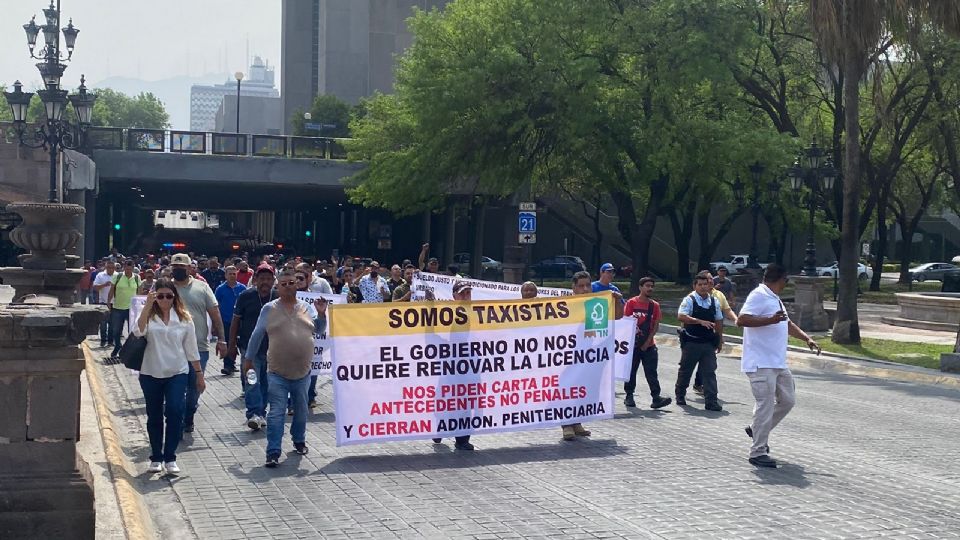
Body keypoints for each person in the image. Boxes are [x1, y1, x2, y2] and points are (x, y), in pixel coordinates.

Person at [737, 264, 820, 468]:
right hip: (760, 363)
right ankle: (757, 452)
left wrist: (806, 338)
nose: (786, 284)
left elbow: (787, 323)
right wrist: (769, 319)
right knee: (765, 406)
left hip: (777, 362)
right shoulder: (758, 295)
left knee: (788, 400)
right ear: (780, 279)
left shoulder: (774, 297)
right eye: (786, 281)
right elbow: (742, 320)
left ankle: (755, 428)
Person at [244, 269, 327, 467]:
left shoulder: (307, 307)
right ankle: (273, 451)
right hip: (277, 372)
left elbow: (319, 329)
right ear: (278, 287)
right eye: (284, 284)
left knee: (300, 410)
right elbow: (257, 335)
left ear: (297, 285)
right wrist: (248, 359)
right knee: (276, 412)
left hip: (302, 372)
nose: (289, 286)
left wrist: (322, 314)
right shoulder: (269, 309)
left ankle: (299, 440)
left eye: (292, 283)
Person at [134, 279, 205, 475]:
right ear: (154, 297)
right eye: (160, 296)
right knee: (154, 415)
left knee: (175, 411)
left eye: (169, 296)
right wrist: (147, 306)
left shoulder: (184, 319)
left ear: (175, 298)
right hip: (151, 372)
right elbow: (138, 331)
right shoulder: (149, 316)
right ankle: (156, 456)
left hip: (177, 372)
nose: (165, 300)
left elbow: (191, 349)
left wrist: (199, 374)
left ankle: (170, 456)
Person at [170, 253, 227, 433]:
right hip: (171, 348)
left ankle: (189, 414)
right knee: (176, 387)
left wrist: (222, 339)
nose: (178, 269)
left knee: (194, 388)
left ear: (190, 268)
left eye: (181, 266)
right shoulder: (166, 288)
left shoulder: (202, 287)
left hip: (199, 346)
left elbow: (215, 313)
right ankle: (176, 420)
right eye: (175, 267)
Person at [228, 264, 276, 431]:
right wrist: (231, 344)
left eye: (268, 279)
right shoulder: (245, 296)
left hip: (273, 351)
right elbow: (235, 322)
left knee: (267, 383)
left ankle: (261, 413)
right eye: (261, 278)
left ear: (273, 280)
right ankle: (253, 413)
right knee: (252, 381)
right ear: (255, 279)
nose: (265, 282)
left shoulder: (278, 297)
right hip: (250, 350)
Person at [431, 281, 477, 450]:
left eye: (468, 293)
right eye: (462, 293)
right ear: (454, 296)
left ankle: (462, 439)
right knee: (445, 398)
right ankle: (441, 427)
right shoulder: (446, 313)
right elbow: (430, 334)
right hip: (450, 364)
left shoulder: (480, 314)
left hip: (471, 365)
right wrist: (429, 308)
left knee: (466, 401)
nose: (466, 297)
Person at [675, 271, 724, 411]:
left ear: (710, 286)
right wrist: (699, 321)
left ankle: (711, 401)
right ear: (694, 285)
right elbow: (681, 316)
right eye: (700, 284)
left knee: (709, 372)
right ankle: (680, 395)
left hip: (708, 343)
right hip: (691, 342)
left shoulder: (714, 301)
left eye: (706, 284)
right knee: (686, 370)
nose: (703, 287)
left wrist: (719, 339)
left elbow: (719, 320)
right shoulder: (689, 300)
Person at [622, 277, 672, 410]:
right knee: (631, 372)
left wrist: (648, 342)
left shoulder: (654, 305)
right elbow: (626, 322)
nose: (650, 288)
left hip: (649, 346)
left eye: (652, 286)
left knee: (651, 372)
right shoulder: (632, 303)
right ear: (640, 287)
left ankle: (656, 397)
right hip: (633, 345)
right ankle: (629, 396)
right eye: (647, 286)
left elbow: (655, 325)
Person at [561, 271, 594, 441]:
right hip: (566, 356)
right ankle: (566, 424)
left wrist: (616, 301)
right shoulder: (565, 305)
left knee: (581, 390)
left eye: (588, 285)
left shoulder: (596, 305)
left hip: (586, 355)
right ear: (573, 288)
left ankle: (577, 422)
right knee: (567, 389)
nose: (585, 289)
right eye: (581, 286)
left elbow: (615, 318)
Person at [693, 271, 737, 396]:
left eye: (712, 279)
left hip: (711, 334)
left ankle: (703, 386)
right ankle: (683, 388)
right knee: (691, 362)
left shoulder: (719, 295)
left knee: (708, 361)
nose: (711, 281)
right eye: (707, 279)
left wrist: (736, 320)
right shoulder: (695, 296)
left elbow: (727, 311)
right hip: (695, 334)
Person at [215, 266, 247, 375]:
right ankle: (227, 366)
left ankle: (237, 364)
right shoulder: (220, 289)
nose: (232, 275)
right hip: (226, 321)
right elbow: (216, 306)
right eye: (230, 274)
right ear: (226, 275)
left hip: (241, 321)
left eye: (234, 273)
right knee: (228, 343)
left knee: (241, 344)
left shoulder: (242, 288)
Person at [107, 260, 141, 360]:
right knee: (116, 330)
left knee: (132, 331)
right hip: (118, 307)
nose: (128, 271)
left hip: (132, 309)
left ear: (133, 268)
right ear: (123, 267)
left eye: (130, 269)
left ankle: (129, 350)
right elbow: (112, 289)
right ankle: (117, 345)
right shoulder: (117, 276)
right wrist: (109, 302)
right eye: (126, 269)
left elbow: (139, 291)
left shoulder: (136, 277)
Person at [92, 260, 117, 347]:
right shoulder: (100, 275)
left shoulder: (118, 276)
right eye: (109, 267)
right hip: (103, 302)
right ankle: (103, 340)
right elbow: (95, 287)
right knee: (103, 324)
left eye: (113, 268)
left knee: (112, 324)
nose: (111, 269)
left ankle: (110, 341)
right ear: (106, 268)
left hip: (115, 303)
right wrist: (104, 285)